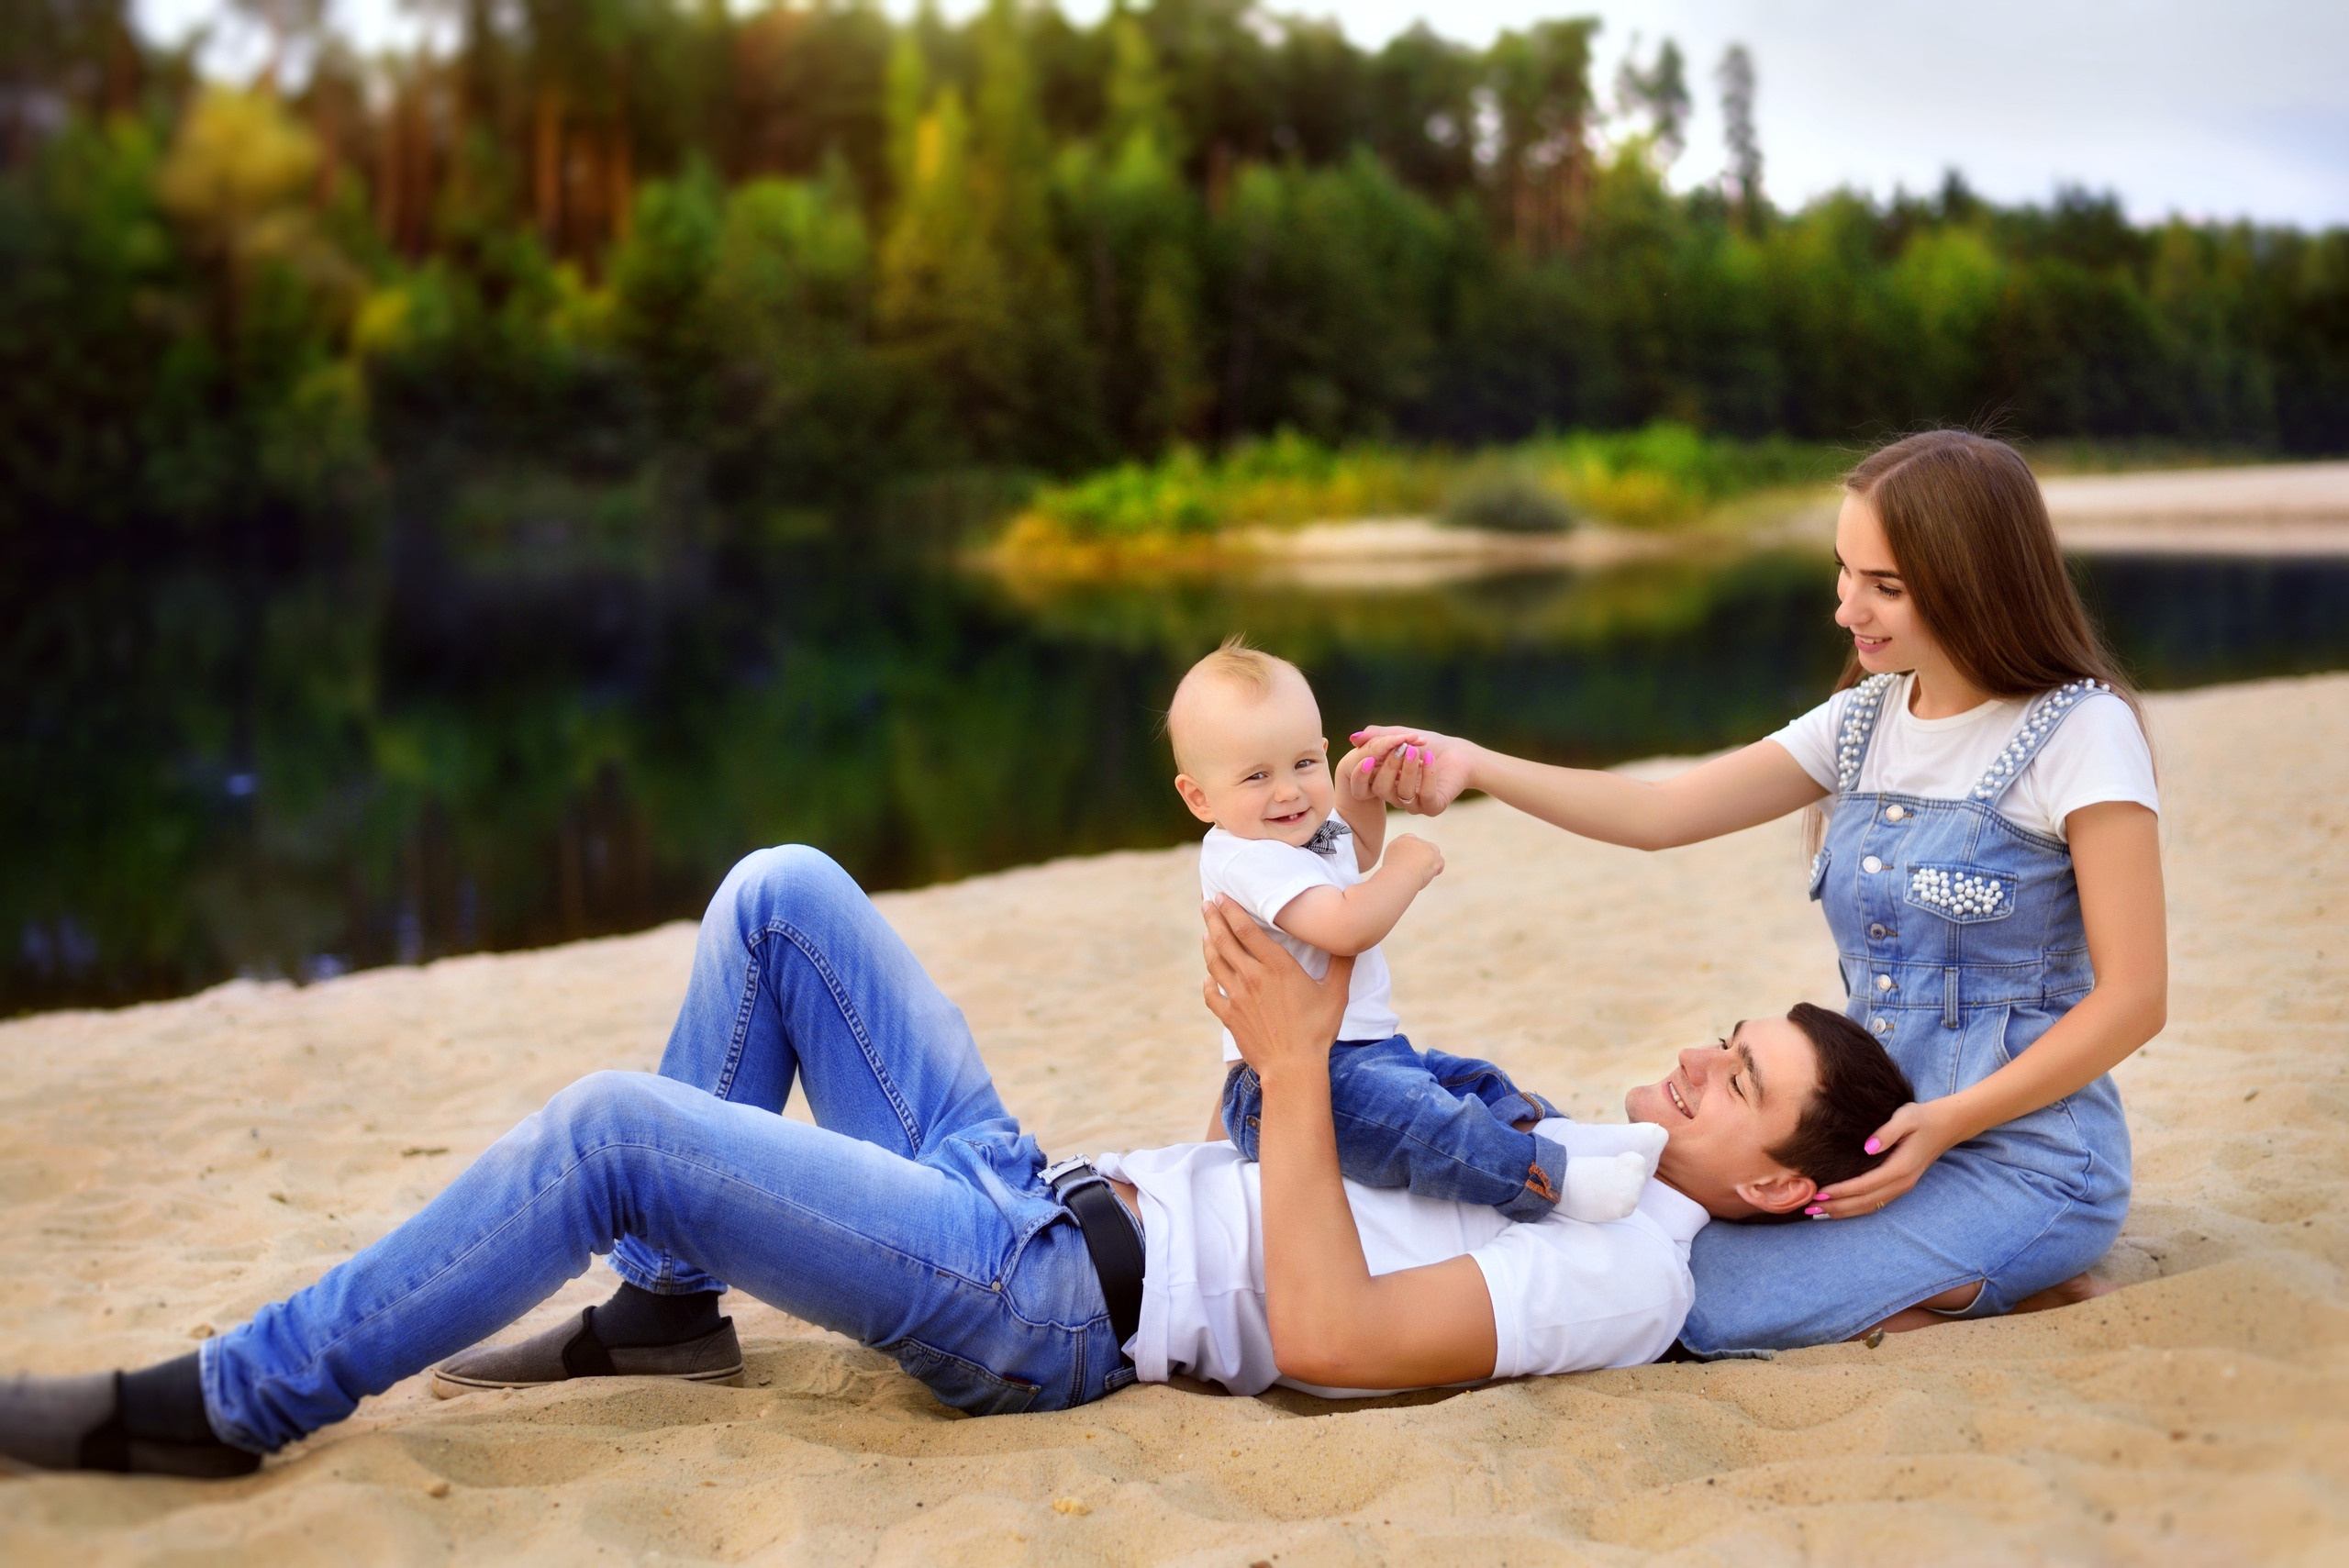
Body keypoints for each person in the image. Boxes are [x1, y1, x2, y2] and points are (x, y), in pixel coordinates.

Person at [0, 845, 1910, 1477]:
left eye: (1729, 1078)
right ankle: (668, 1318)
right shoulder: (1592, 1158)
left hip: (1046, 1302)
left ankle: (231, 1400)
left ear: (1766, 1184)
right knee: (779, 896)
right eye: (1721, 1036)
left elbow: (1327, 1331)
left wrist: (1294, 1062)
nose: (1688, 1059)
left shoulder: (1623, 1269)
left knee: (609, 1129)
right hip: (1040, 1185)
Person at [1346, 428, 2166, 1354]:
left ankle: (1987, 1279)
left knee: (1701, 1299)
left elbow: (2134, 998)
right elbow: (1656, 810)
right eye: (1842, 571)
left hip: (2022, 1155)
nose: (1846, 607)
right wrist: (1473, 761)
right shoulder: (1864, 719)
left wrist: (1950, 1121)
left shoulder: (2080, 732)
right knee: (1636, 1233)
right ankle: (1945, 1278)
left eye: (1884, 586)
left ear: (1975, 582)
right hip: (1851, 1139)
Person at [1167, 635, 1658, 1225]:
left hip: (1358, 1057)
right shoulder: (1246, 857)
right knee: (1424, 1122)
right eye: (1256, 777)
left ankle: (1566, 1140)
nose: (1289, 791)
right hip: (1291, 1085)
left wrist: (1354, 789)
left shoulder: (1287, 834)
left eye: (1304, 764)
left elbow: (1355, 851)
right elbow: (1345, 924)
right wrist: (1409, 865)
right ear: (1198, 797)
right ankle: (1555, 1183)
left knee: (1472, 1080)